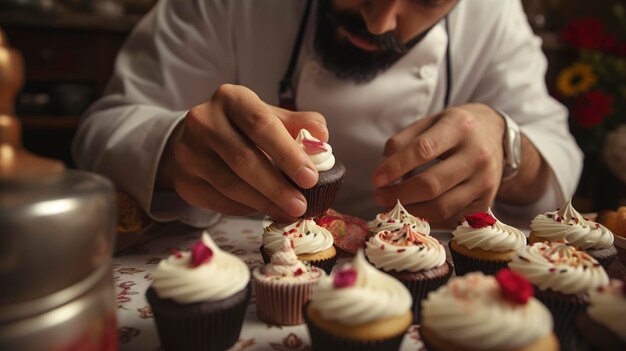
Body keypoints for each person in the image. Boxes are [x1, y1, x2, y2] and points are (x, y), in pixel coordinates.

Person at [72, 0, 583, 229]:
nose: (379, 19)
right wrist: (170, 147)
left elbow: (558, 154)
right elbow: (101, 129)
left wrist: (507, 145)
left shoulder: (492, 14)